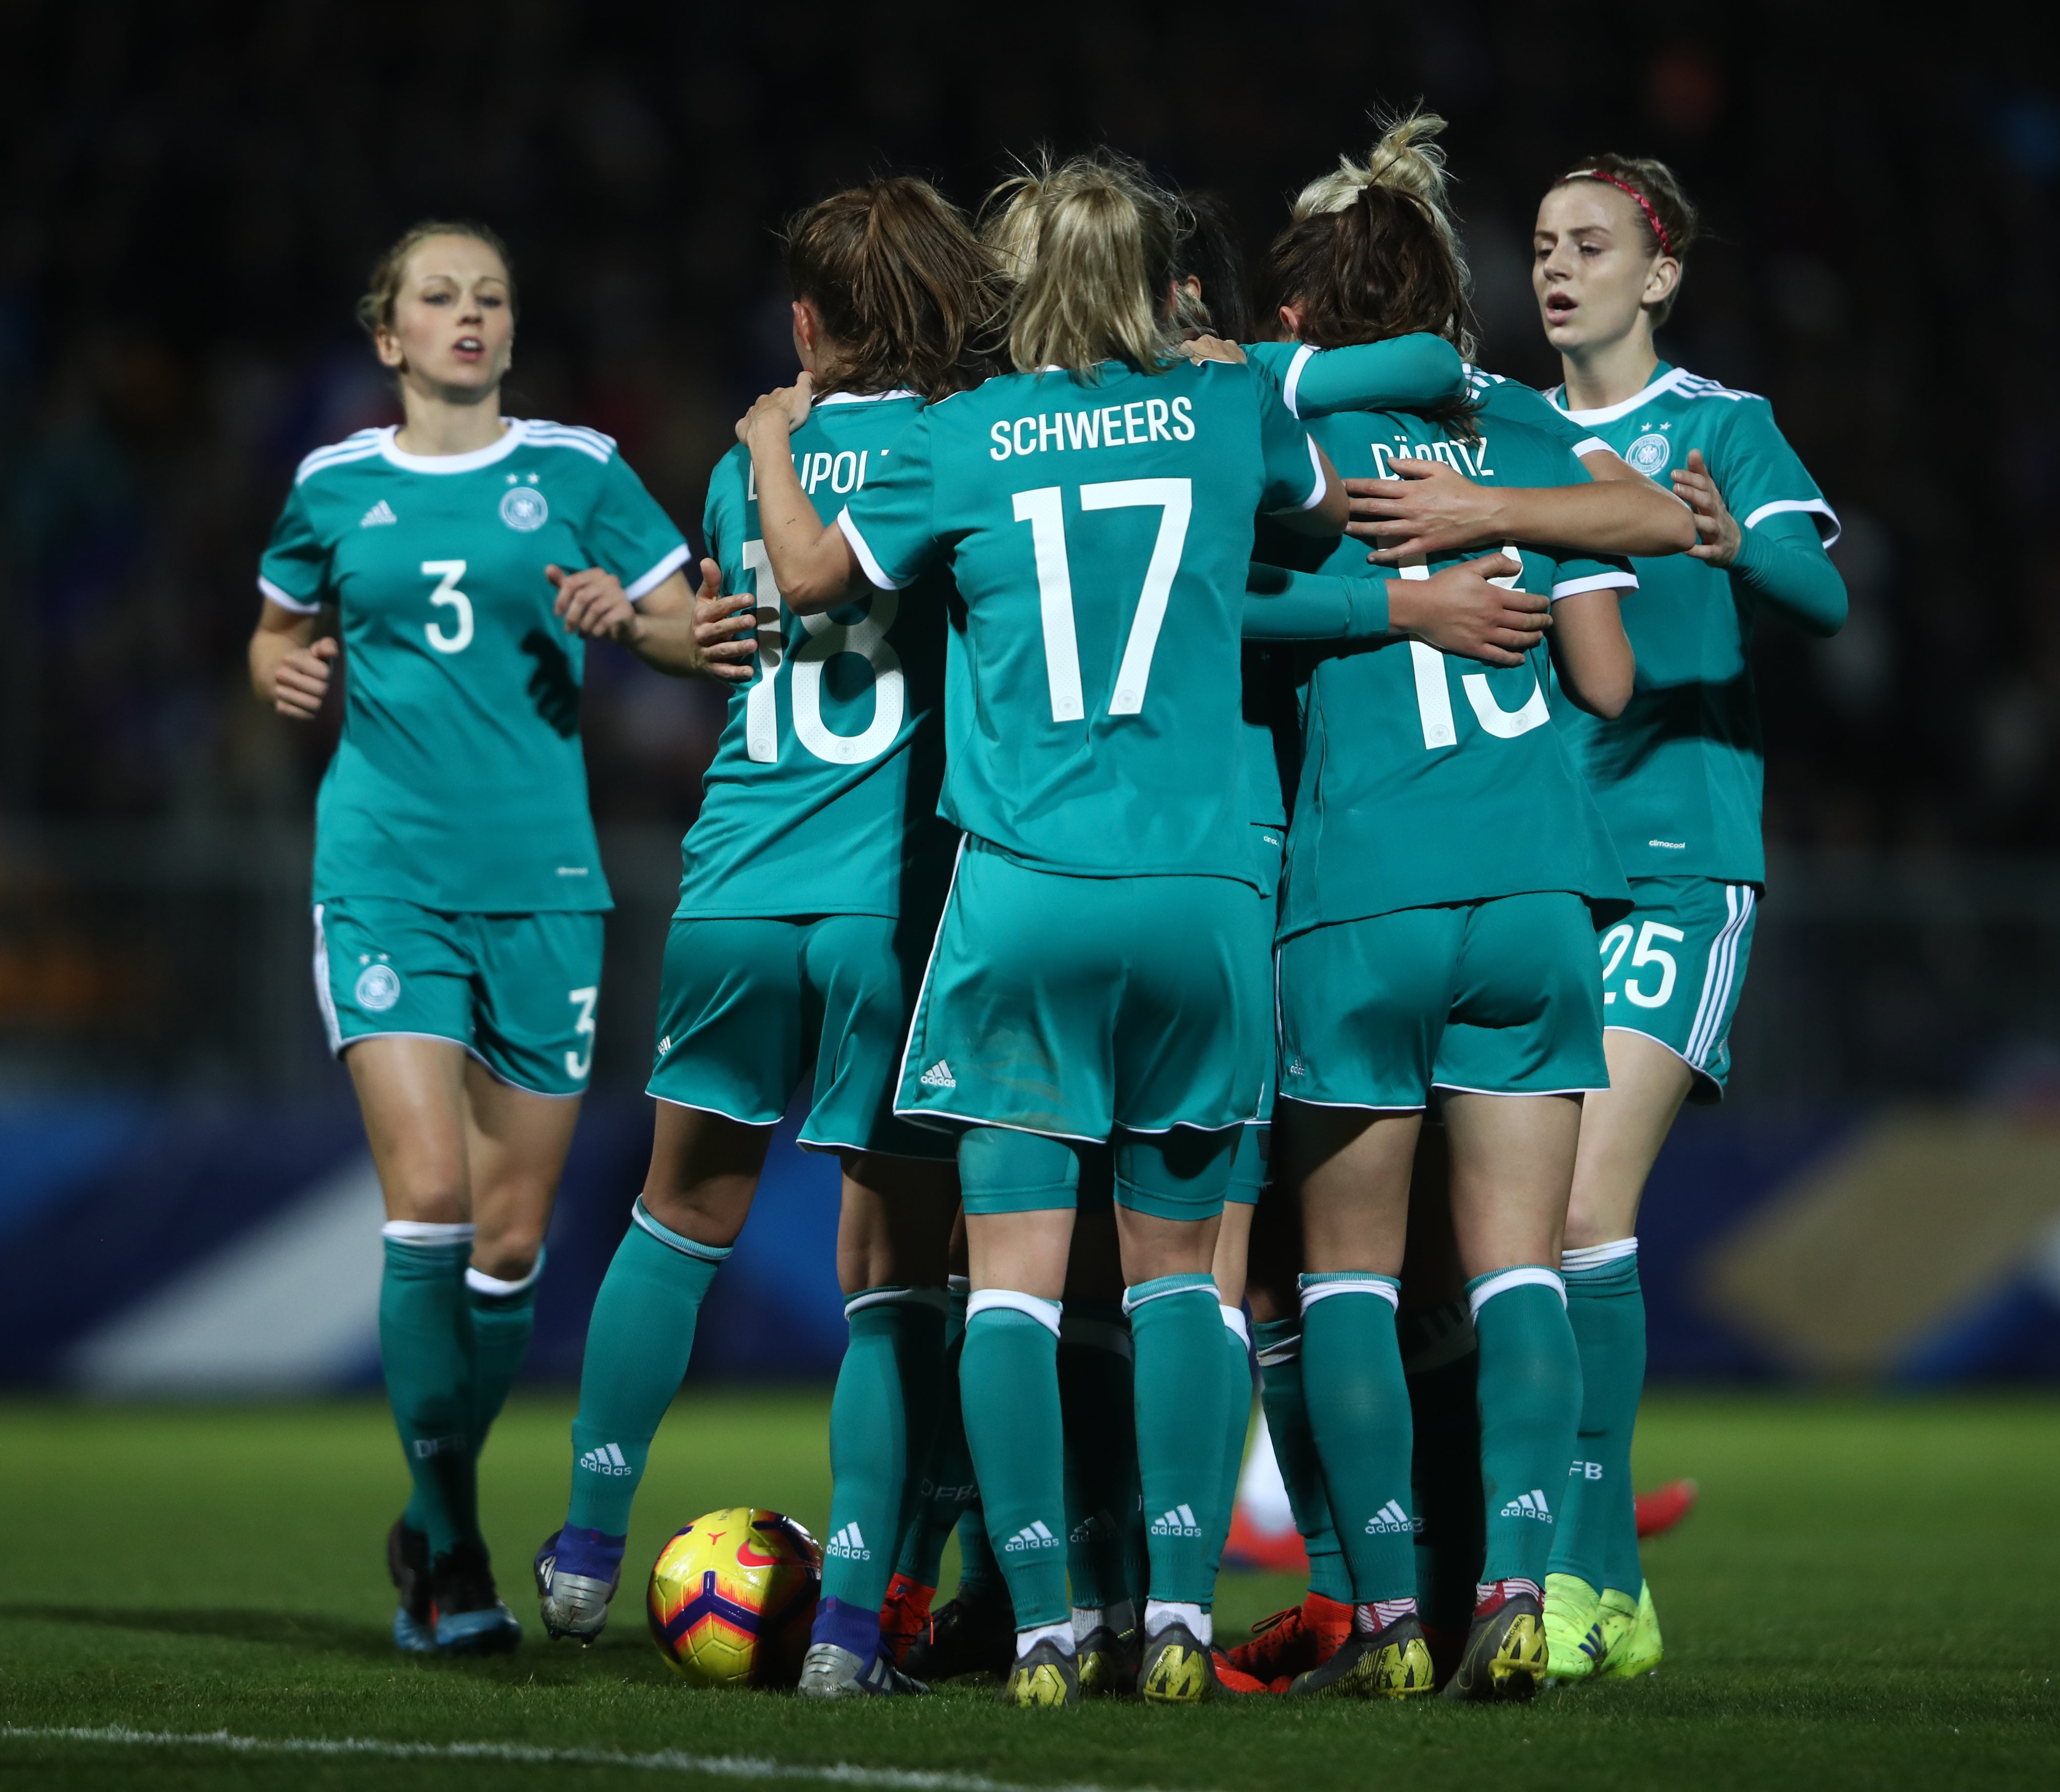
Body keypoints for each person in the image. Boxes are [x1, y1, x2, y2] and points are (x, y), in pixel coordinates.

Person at [751, 149, 1349, 1708]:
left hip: (1021, 892)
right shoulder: (1227, 405)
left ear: (1012, 287)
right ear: (1154, 280)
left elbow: (808, 577)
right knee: (1181, 1280)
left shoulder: (963, 434)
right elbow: (1323, 516)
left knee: (1009, 1284)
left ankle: (1038, 1627)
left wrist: (765, 443)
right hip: (1199, 895)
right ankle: (1176, 1616)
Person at [528, 178, 999, 1702]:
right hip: (884, 904)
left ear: (807, 322)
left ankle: (586, 1545)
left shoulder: (750, 465)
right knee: (896, 1278)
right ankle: (853, 1630)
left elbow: (726, 622)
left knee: (676, 1220)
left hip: (732, 884)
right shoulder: (957, 450)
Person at [246, 221, 705, 1653]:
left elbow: (697, 627)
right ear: (389, 336)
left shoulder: (580, 473)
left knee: (509, 1246)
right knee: (433, 1201)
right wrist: (281, 670)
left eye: (490, 297)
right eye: (439, 297)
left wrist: (628, 624)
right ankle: (451, 1554)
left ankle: (426, 1500)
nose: (469, 315)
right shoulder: (333, 485)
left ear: (510, 330)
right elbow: (271, 630)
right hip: (383, 875)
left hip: (546, 888)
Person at [1241, 113, 1643, 1702]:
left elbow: (1215, 603)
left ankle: (1389, 1621)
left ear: (1305, 308)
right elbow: (1608, 666)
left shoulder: (1284, 421)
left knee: (1343, 1276)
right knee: (1519, 1270)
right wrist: (1509, 521)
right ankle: (1520, 1588)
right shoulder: (1524, 423)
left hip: (1363, 888)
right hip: (1536, 884)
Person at [1529, 155, 1847, 1682]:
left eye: (1591, 245)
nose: (1557, 267)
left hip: (1676, 858)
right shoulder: (1511, 430)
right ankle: (1589, 1582)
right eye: (1543, 244)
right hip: (1538, 863)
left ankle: (1586, 1580)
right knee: (1525, 1234)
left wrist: (1731, 543)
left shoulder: (1721, 426)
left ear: (1659, 274)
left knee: (1584, 1213)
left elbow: (1826, 596)